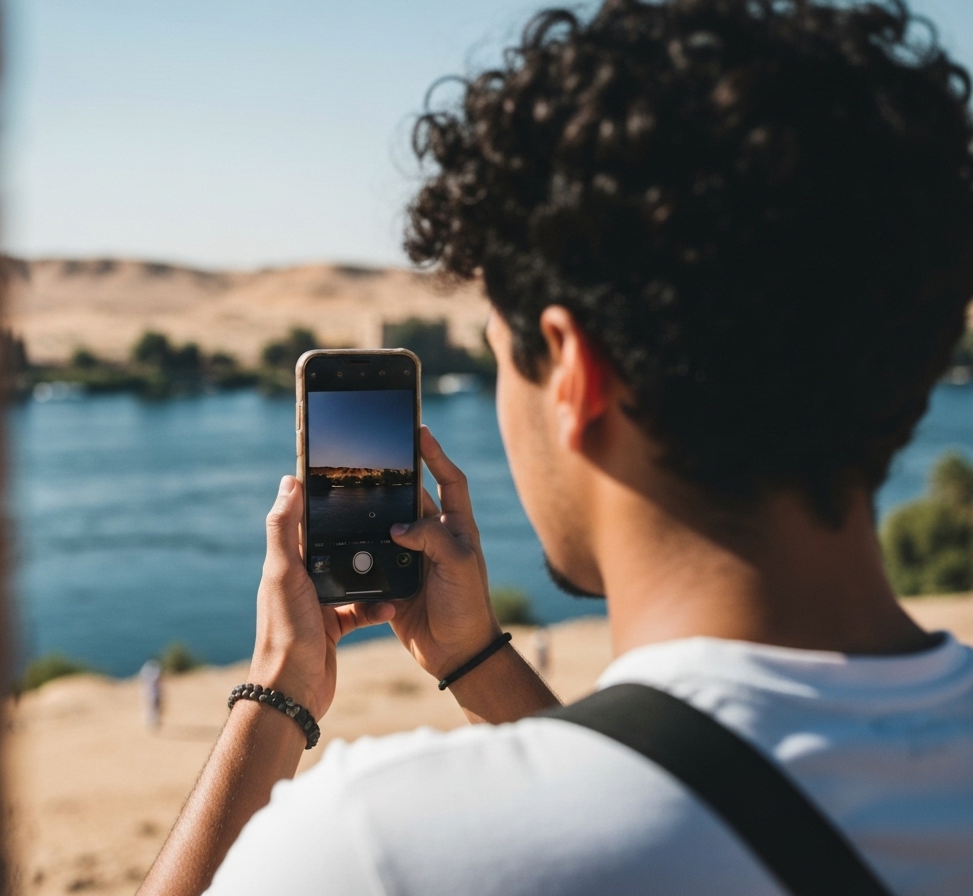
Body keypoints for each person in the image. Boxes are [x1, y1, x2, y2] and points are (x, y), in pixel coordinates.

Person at [140, 1, 973, 893]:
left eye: (503, 359)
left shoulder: (384, 848)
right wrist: (476, 663)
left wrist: (278, 689)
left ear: (573, 374)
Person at [139, 658, 163, 731]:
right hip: (153, 695)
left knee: (152, 709)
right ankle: (152, 722)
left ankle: (152, 721)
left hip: (150, 694)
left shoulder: (146, 674)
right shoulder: (155, 675)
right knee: (153, 709)